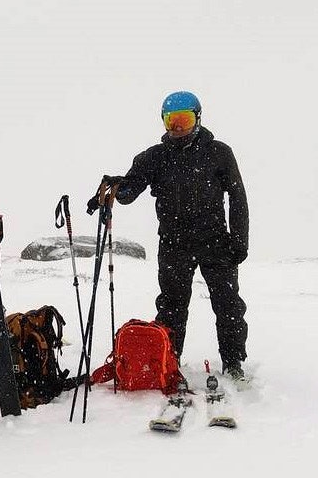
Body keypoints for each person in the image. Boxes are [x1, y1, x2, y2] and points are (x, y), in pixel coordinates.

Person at [91, 91, 250, 382]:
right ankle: (169, 360)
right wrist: (115, 188)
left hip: (215, 241)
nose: (178, 127)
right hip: (174, 244)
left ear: (198, 119)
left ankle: (233, 362)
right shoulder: (154, 157)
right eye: (171, 121)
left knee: (228, 304)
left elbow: (238, 197)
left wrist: (240, 241)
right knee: (172, 306)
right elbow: (130, 191)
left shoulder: (219, 153)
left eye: (184, 120)